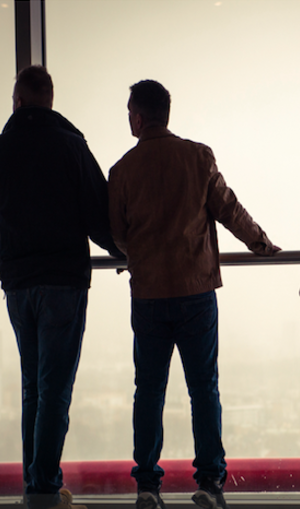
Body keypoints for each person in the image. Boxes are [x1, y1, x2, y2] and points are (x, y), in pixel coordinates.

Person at [0, 65, 123, 509]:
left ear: (19, 101)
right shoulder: (72, 147)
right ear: (50, 99)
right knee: (55, 388)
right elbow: (97, 214)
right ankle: (44, 487)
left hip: (19, 284)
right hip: (64, 282)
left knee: (33, 387)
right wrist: (123, 252)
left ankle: (37, 485)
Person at [108, 80, 280, 509]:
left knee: (148, 390)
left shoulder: (122, 170)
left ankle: (147, 484)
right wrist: (261, 243)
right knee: (204, 389)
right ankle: (210, 483)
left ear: (138, 117)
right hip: (195, 291)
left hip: (148, 294)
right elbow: (229, 209)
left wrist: (139, 255)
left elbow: (117, 235)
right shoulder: (198, 157)